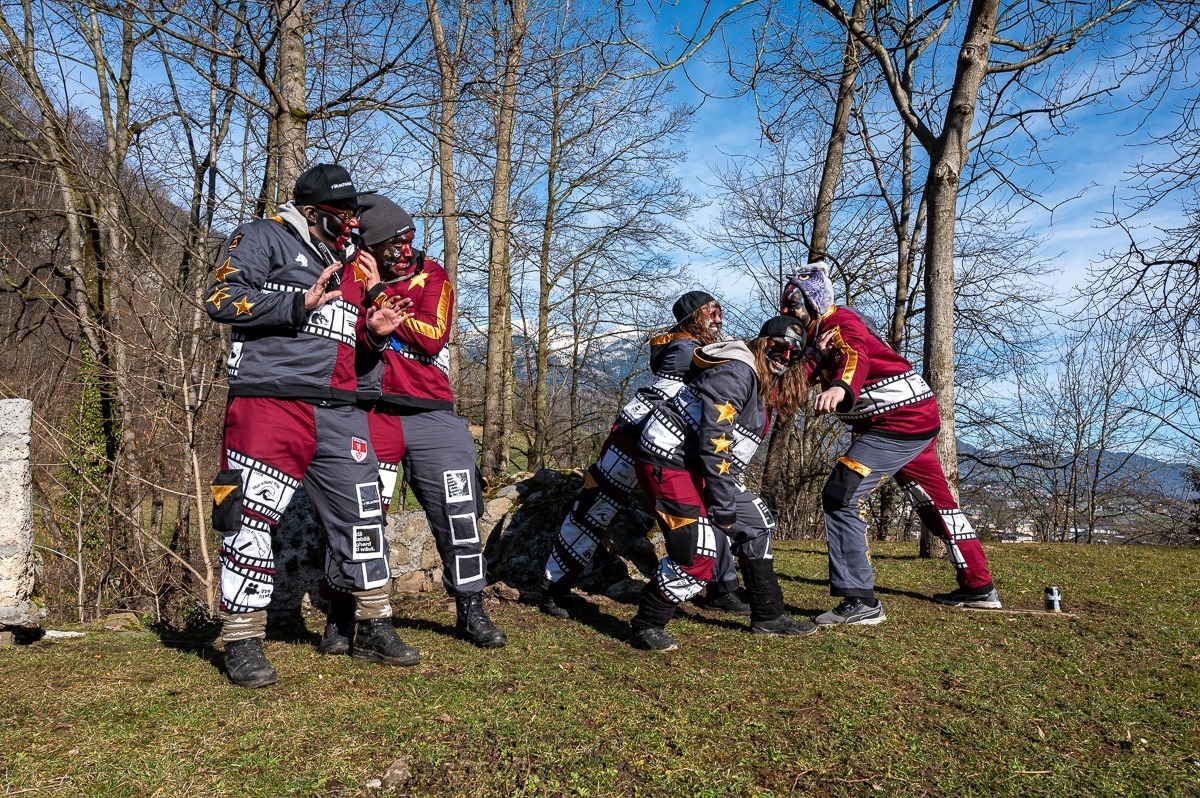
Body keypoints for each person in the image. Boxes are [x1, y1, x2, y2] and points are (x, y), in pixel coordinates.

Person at [205, 163, 419, 688]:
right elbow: (220, 300)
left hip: (339, 408)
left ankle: (372, 625)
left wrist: (373, 332)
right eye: (339, 216)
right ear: (310, 211)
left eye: (352, 216)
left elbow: (350, 347)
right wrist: (298, 301)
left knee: (364, 514)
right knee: (247, 518)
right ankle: (242, 638)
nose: (349, 226)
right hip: (269, 402)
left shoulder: (352, 266)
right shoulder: (261, 236)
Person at [781, 261, 1001, 626]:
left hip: (900, 422)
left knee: (842, 493)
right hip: (909, 419)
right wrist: (812, 360)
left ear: (815, 303)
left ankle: (860, 600)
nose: (789, 311)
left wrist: (841, 387)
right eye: (786, 305)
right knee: (937, 506)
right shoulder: (816, 338)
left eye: (795, 304)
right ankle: (978, 586)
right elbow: (793, 384)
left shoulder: (840, 323)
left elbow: (855, 355)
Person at [332, 193, 507, 649]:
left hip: (432, 413)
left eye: (409, 237)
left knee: (458, 511)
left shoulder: (433, 275)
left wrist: (377, 295)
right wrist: (370, 323)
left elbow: (432, 336)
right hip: (370, 412)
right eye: (394, 242)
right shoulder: (348, 272)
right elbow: (341, 336)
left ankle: (471, 608)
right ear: (370, 246)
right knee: (361, 514)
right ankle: (342, 612)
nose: (406, 249)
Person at [538, 291, 750, 619]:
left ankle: (722, 585)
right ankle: (554, 587)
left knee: (702, 505)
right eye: (712, 312)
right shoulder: (685, 349)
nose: (719, 319)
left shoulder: (688, 347)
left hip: (655, 435)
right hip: (639, 434)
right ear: (694, 316)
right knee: (595, 506)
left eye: (720, 311)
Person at [629, 316, 819, 650]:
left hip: (703, 467)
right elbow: (713, 444)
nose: (785, 357)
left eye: (793, 354)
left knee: (757, 524)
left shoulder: (763, 378)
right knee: (698, 556)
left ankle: (769, 615)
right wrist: (724, 506)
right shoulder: (736, 372)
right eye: (780, 347)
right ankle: (648, 621)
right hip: (668, 460)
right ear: (763, 343)